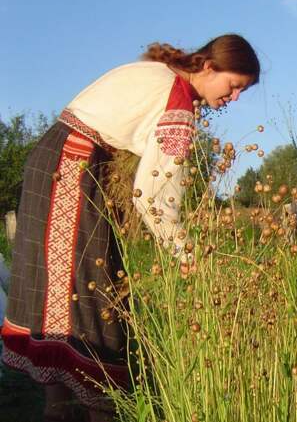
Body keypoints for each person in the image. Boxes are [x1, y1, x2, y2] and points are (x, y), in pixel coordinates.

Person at [0, 34, 260, 421]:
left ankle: (58, 407)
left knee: (63, 294)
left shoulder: (158, 72)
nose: (234, 98)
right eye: (234, 86)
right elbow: (153, 199)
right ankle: (96, 408)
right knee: (88, 299)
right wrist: (189, 256)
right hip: (74, 169)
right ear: (208, 67)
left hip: (56, 158)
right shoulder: (178, 103)